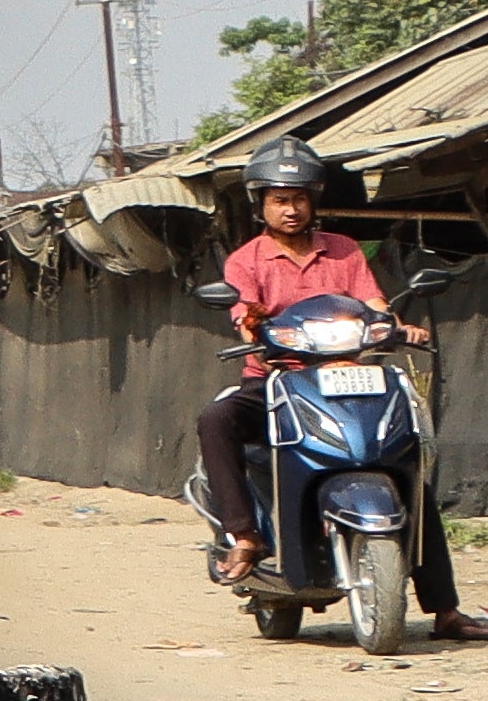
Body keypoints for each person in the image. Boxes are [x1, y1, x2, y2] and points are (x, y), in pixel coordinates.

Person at [194, 146, 468, 632]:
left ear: (314, 201)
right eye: (280, 200)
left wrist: (395, 326)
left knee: (405, 463)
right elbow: (245, 317)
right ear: (261, 204)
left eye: (299, 199)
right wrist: (256, 330)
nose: (291, 209)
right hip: (278, 380)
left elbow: (374, 303)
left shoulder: (344, 250)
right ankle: (245, 536)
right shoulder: (246, 261)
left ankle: (445, 609)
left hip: (350, 378)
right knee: (216, 420)